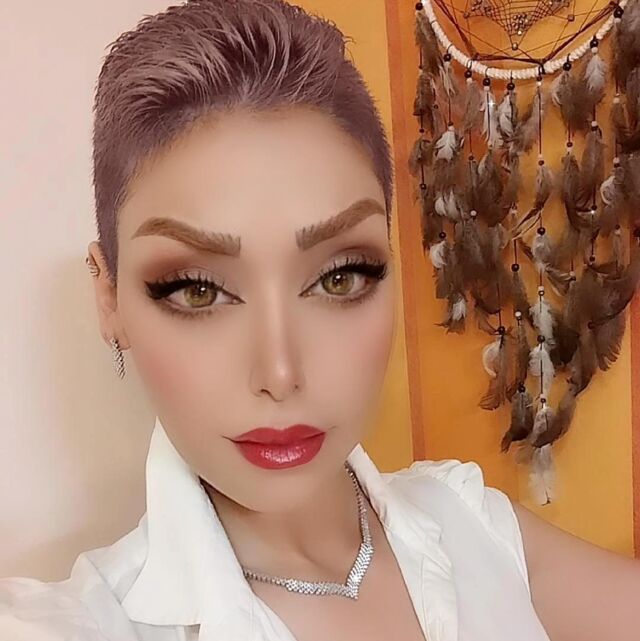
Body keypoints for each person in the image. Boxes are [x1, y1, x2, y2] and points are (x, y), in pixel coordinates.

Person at [1, 1, 639, 640]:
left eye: (340, 277)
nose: (280, 373)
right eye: (197, 290)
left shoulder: (469, 521)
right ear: (108, 296)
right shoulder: (77, 624)